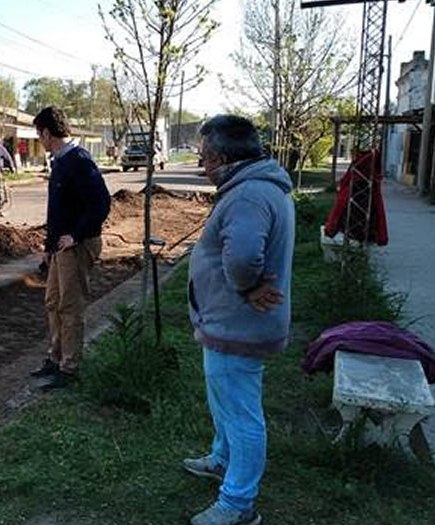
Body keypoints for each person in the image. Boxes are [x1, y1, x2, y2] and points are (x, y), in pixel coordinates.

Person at [184, 115, 295, 525]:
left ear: (223, 157)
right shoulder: (256, 187)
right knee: (228, 405)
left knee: (242, 413)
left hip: (240, 323)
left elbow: (245, 256)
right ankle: (223, 459)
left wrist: (246, 288)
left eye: (205, 157)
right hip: (233, 324)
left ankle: (238, 503)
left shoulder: (248, 195)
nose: (203, 165)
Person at [28, 106, 111, 391]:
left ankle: (70, 368)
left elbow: (101, 203)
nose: (39, 140)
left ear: (47, 132)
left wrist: (75, 236)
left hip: (77, 247)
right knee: (53, 302)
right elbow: (59, 211)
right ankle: (56, 357)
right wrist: (49, 247)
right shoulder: (60, 161)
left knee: (70, 306)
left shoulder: (78, 160)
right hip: (59, 249)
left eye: (39, 134)